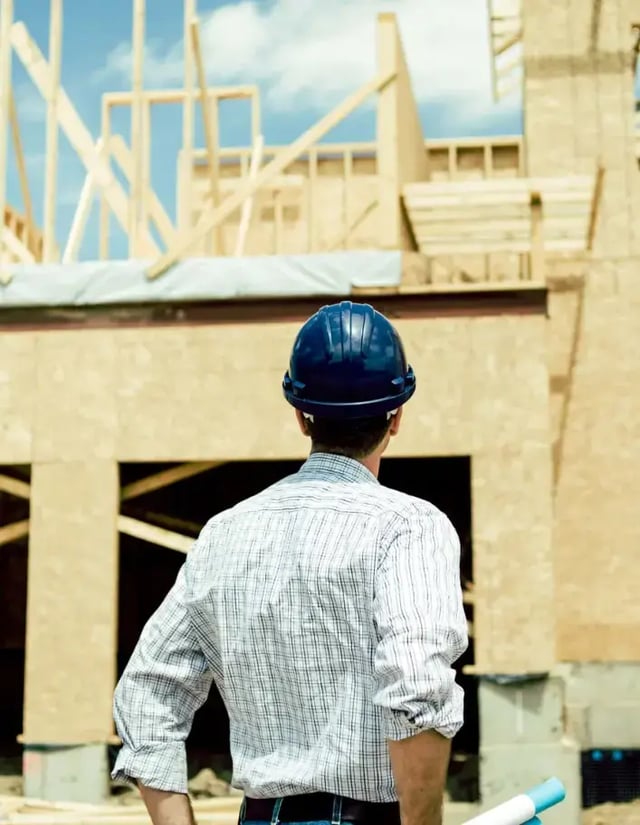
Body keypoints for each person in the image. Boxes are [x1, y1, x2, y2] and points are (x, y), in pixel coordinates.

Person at [112, 300, 468, 825]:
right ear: (397, 417)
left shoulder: (224, 533)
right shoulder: (409, 527)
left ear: (301, 417)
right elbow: (415, 687)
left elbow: (147, 696)